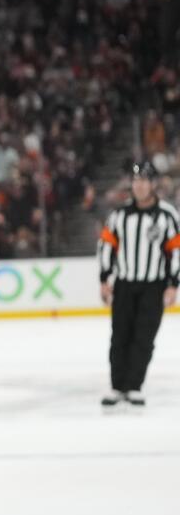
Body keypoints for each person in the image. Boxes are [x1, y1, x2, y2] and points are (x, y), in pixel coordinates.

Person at [97, 161, 180, 409]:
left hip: (153, 286)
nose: (139, 186)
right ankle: (117, 385)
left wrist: (173, 283)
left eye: (144, 181)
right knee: (120, 335)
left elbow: (175, 251)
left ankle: (134, 386)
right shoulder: (119, 215)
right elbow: (107, 247)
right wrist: (104, 279)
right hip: (124, 284)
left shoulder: (166, 215)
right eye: (136, 181)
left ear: (153, 184)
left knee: (144, 337)